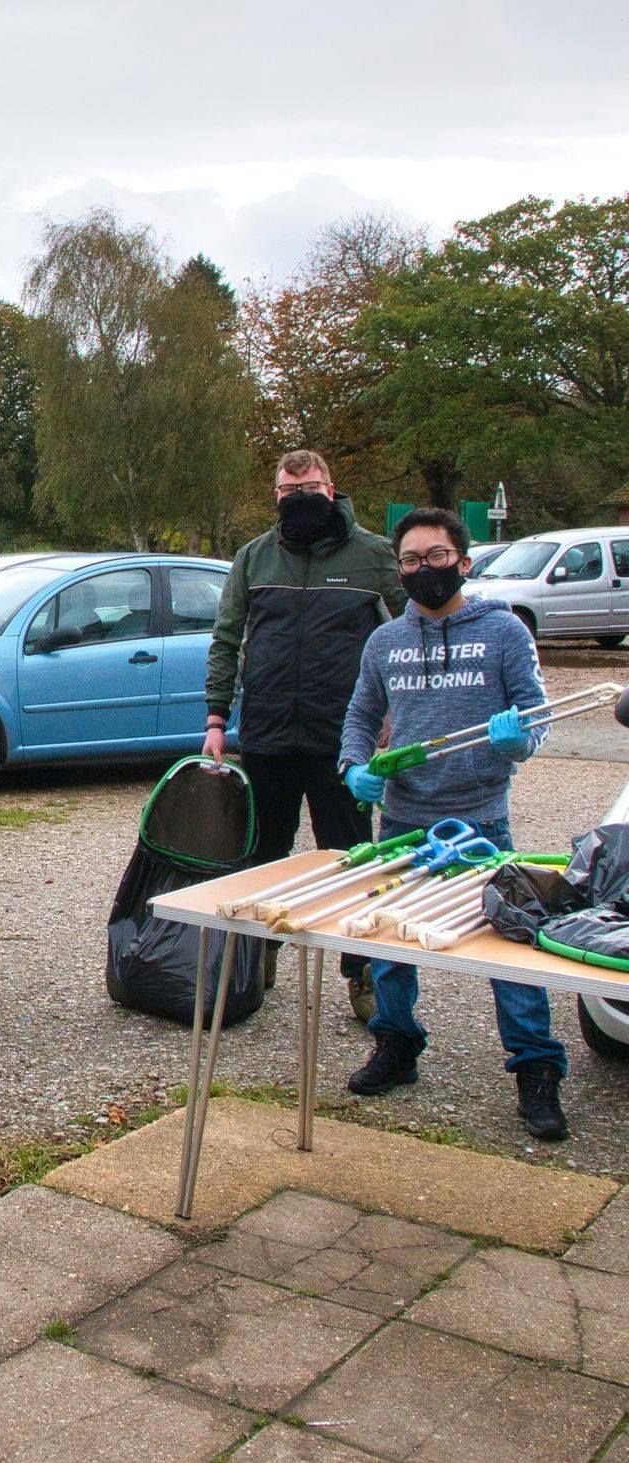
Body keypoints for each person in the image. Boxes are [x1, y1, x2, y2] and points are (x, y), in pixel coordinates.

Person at [338, 507, 566, 1140]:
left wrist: (517, 741)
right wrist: (354, 766)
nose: (423, 570)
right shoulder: (384, 641)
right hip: (403, 822)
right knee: (390, 944)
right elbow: (361, 714)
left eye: (435, 557)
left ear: (462, 562)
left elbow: (537, 715)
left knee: (510, 950)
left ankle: (536, 1071)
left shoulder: (504, 632)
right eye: (410, 560)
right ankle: (397, 1045)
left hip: (483, 821)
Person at [203, 449, 402, 1019]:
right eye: (290, 491)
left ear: (332, 489)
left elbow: (408, 633)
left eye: (310, 488)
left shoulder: (371, 556)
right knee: (263, 854)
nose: (300, 499)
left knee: (352, 858)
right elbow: (226, 640)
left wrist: (395, 709)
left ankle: (361, 974)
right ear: (276, 496)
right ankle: (255, 960)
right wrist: (217, 720)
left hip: (344, 738)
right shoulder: (255, 557)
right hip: (266, 732)